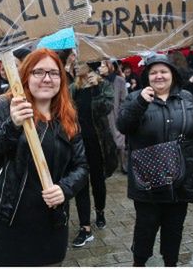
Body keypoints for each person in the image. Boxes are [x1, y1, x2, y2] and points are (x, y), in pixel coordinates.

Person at [0, 48, 89, 266]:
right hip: (9, 222)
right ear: (26, 74)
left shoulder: (67, 115)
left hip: (52, 222)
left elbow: (82, 167)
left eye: (54, 73)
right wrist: (11, 126)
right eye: (39, 72)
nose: (47, 79)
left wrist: (65, 189)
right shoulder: (4, 106)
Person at [116, 54, 193, 267]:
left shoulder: (187, 99)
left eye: (164, 71)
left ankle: (170, 262)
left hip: (181, 179)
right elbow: (123, 126)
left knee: (174, 228)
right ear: (147, 76)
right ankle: (139, 262)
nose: (159, 76)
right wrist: (139, 103)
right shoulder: (136, 97)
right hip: (148, 182)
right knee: (145, 228)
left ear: (173, 74)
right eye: (153, 72)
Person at [69, 62, 117, 247]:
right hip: (78, 144)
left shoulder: (103, 86)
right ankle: (84, 226)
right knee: (81, 183)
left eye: (78, 64)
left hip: (97, 143)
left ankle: (100, 211)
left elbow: (105, 108)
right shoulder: (73, 88)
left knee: (98, 181)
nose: (75, 67)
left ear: (89, 67)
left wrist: (96, 88)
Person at [99, 60, 128, 174]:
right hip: (103, 115)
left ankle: (123, 164)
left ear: (109, 66)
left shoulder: (119, 80)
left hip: (116, 114)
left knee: (120, 140)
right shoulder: (99, 81)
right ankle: (109, 165)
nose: (100, 68)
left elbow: (124, 98)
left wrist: (121, 113)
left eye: (103, 65)